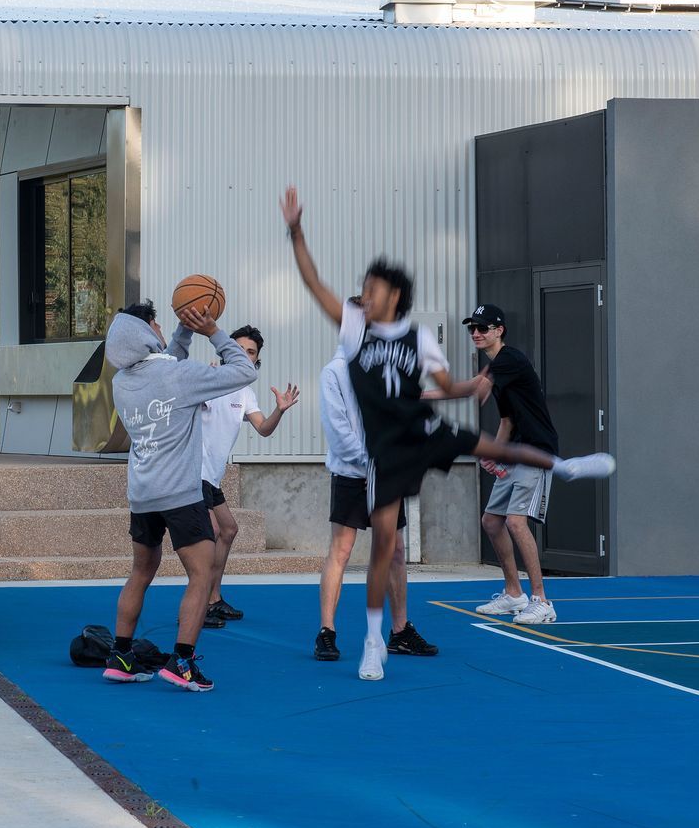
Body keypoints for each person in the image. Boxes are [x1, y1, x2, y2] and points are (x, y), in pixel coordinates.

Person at [280, 186, 614, 680]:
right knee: (379, 549)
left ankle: (563, 466)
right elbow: (314, 283)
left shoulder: (414, 339)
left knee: (486, 444)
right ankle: (373, 642)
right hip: (376, 459)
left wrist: (473, 386)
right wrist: (296, 231)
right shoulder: (349, 347)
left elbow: (440, 388)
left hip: (413, 435)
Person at [102, 298, 258, 693]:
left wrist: (184, 331)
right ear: (145, 333)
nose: (160, 330)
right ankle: (182, 663)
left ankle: (120, 658)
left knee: (141, 572)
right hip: (180, 493)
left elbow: (165, 362)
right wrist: (212, 331)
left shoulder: (122, 381)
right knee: (201, 574)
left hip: (143, 492)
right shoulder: (181, 377)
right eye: (155, 325)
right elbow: (243, 370)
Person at [314, 347, 438, 661]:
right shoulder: (335, 371)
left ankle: (399, 632)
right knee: (341, 549)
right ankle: (326, 632)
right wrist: (366, 462)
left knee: (395, 550)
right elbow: (337, 426)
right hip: (352, 473)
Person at [465, 303, 568, 624]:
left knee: (515, 521)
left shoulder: (508, 360)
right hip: (516, 450)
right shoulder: (499, 369)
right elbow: (508, 419)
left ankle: (541, 600)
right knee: (491, 521)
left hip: (536, 451)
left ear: (499, 331)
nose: (476, 334)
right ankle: (513, 594)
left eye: (483, 328)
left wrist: (414, 395)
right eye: (473, 329)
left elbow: (472, 389)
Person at [196, 325, 298, 629]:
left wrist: (280, 410)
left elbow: (263, 428)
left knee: (228, 530)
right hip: (193, 473)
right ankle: (198, 606)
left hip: (212, 478)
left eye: (250, 352)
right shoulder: (209, 379)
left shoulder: (246, 393)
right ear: (226, 353)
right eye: (237, 349)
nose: (244, 355)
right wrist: (205, 382)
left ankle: (213, 598)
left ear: (256, 361)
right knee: (211, 534)